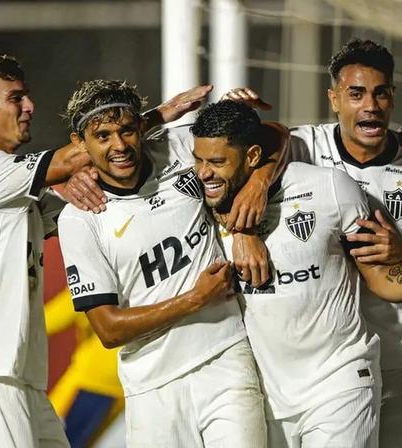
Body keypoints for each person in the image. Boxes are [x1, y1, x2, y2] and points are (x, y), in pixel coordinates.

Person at [0, 55, 207, 447]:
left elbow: (88, 190)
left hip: (23, 381)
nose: (29, 107)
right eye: (16, 98)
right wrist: (151, 118)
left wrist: (79, 185)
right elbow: (72, 158)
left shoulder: (14, 190)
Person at [223, 38, 402, 448]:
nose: (370, 105)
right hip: (325, 365)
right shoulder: (303, 148)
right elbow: (238, 154)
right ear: (334, 99)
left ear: (392, 98)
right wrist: (237, 116)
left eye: (380, 93)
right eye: (356, 94)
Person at [57, 80, 288, 447]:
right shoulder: (79, 219)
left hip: (225, 358)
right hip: (151, 387)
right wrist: (195, 300)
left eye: (127, 130)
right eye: (102, 136)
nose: (119, 146)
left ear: (142, 128)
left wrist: (255, 188)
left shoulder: (179, 146)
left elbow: (274, 135)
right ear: (79, 144)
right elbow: (108, 329)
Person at [44, 289, 124, 448]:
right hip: (124, 387)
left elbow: (44, 322)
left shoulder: (95, 280)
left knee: (49, 439)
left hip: (91, 383)